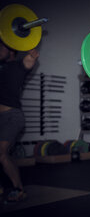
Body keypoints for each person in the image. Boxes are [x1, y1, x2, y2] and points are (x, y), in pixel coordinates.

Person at [0, 40, 39, 201]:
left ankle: (19, 189)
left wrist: (30, 51)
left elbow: (29, 60)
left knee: (0, 153)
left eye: (1, 46)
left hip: (12, 116)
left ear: (11, 51)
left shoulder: (17, 66)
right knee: (5, 155)